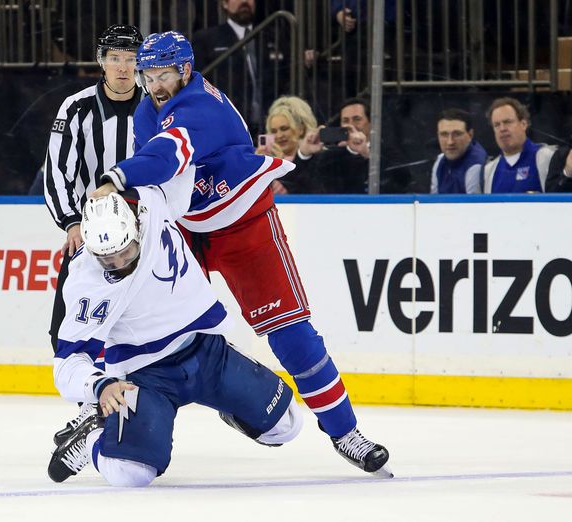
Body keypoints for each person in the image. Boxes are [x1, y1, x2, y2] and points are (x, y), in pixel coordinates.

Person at [89, 31, 391, 478]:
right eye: (146, 74)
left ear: (186, 70)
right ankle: (98, 402)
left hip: (243, 223)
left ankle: (346, 433)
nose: (153, 84)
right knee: (138, 314)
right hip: (187, 229)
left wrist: (115, 177)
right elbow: (157, 178)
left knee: (291, 334)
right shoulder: (145, 107)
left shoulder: (200, 108)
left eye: (162, 74)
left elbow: (166, 157)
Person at [48, 174, 309, 486]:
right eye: (107, 258)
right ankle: (92, 436)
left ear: (135, 227)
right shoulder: (86, 283)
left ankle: (230, 406)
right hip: (145, 377)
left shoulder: (153, 204)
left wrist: (117, 176)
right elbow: (67, 363)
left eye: (125, 252)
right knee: (130, 475)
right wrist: (101, 386)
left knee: (287, 425)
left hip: (206, 351)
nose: (119, 263)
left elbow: (178, 146)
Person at [42, 24, 144, 444]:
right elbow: (56, 171)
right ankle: (91, 401)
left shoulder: (155, 106)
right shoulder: (77, 107)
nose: (123, 67)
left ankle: (112, 405)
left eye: (131, 58)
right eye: (115, 58)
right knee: (65, 328)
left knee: (142, 323)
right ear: (101, 61)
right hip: (93, 237)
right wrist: (72, 222)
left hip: (147, 236)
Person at [191, 0, 289, 136]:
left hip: (270, 124)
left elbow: (286, 78)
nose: (245, 2)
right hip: (228, 125)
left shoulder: (271, 36)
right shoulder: (206, 39)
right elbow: (198, 84)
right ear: (225, 4)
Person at [297, 97, 412, 193]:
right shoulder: (331, 155)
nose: (350, 125)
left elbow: (404, 180)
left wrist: (366, 154)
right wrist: (304, 155)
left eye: (357, 119)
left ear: (371, 123)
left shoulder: (385, 151)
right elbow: (296, 185)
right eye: (345, 121)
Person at [483, 97, 572, 193]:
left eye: (507, 122)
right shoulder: (489, 170)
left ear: (524, 124)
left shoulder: (548, 157)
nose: (502, 129)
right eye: (496, 125)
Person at [260, 96, 320, 195]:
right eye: (274, 131)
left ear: (301, 129)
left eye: (284, 129)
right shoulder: (268, 162)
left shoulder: (314, 158)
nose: (279, 135)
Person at [429, 108, 487, 194]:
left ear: (470, 135)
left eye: (457, 134)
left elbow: (474, 206)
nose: (450, 142)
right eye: (444, 134)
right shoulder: (439, 161)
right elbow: (432, 203)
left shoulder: (476, 166)